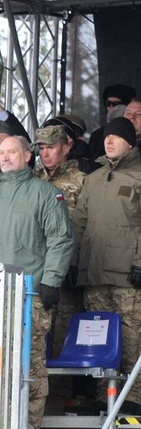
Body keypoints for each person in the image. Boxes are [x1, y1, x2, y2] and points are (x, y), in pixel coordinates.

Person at [0, 135, 73, 429]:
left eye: (12, 152)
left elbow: (60, 239)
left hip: (31, 293)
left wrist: (51, 281)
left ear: (27, 156)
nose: (4, 158)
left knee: (29, 363)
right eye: (1, 153)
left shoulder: (45, 194)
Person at [73, 117, 141, 405]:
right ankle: (105, 398)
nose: (108, 141)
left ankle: (134, 398)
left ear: (130, 142)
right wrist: (73, 263)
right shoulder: (94, 178)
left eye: (116, 137)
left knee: (131, 338)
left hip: (128, 274)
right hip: (94, 274)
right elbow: (79, 223)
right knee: (98, 338)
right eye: (106, 137)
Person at [33, 125, 86, 361]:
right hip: (37, 266)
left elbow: (89, 226)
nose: (45, 153)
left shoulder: (82, 180)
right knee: (36, 333)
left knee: (65, 329)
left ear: (66, 147)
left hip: (68, 265)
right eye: (41, 148)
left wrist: (77, 263)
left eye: (51, 147)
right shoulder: (31, 180)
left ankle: (63, 393)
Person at [89, 84, 136, 158]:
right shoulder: (97, 135)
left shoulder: (134, 131)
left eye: (116, 104)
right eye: (108, 103)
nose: (111, 107)